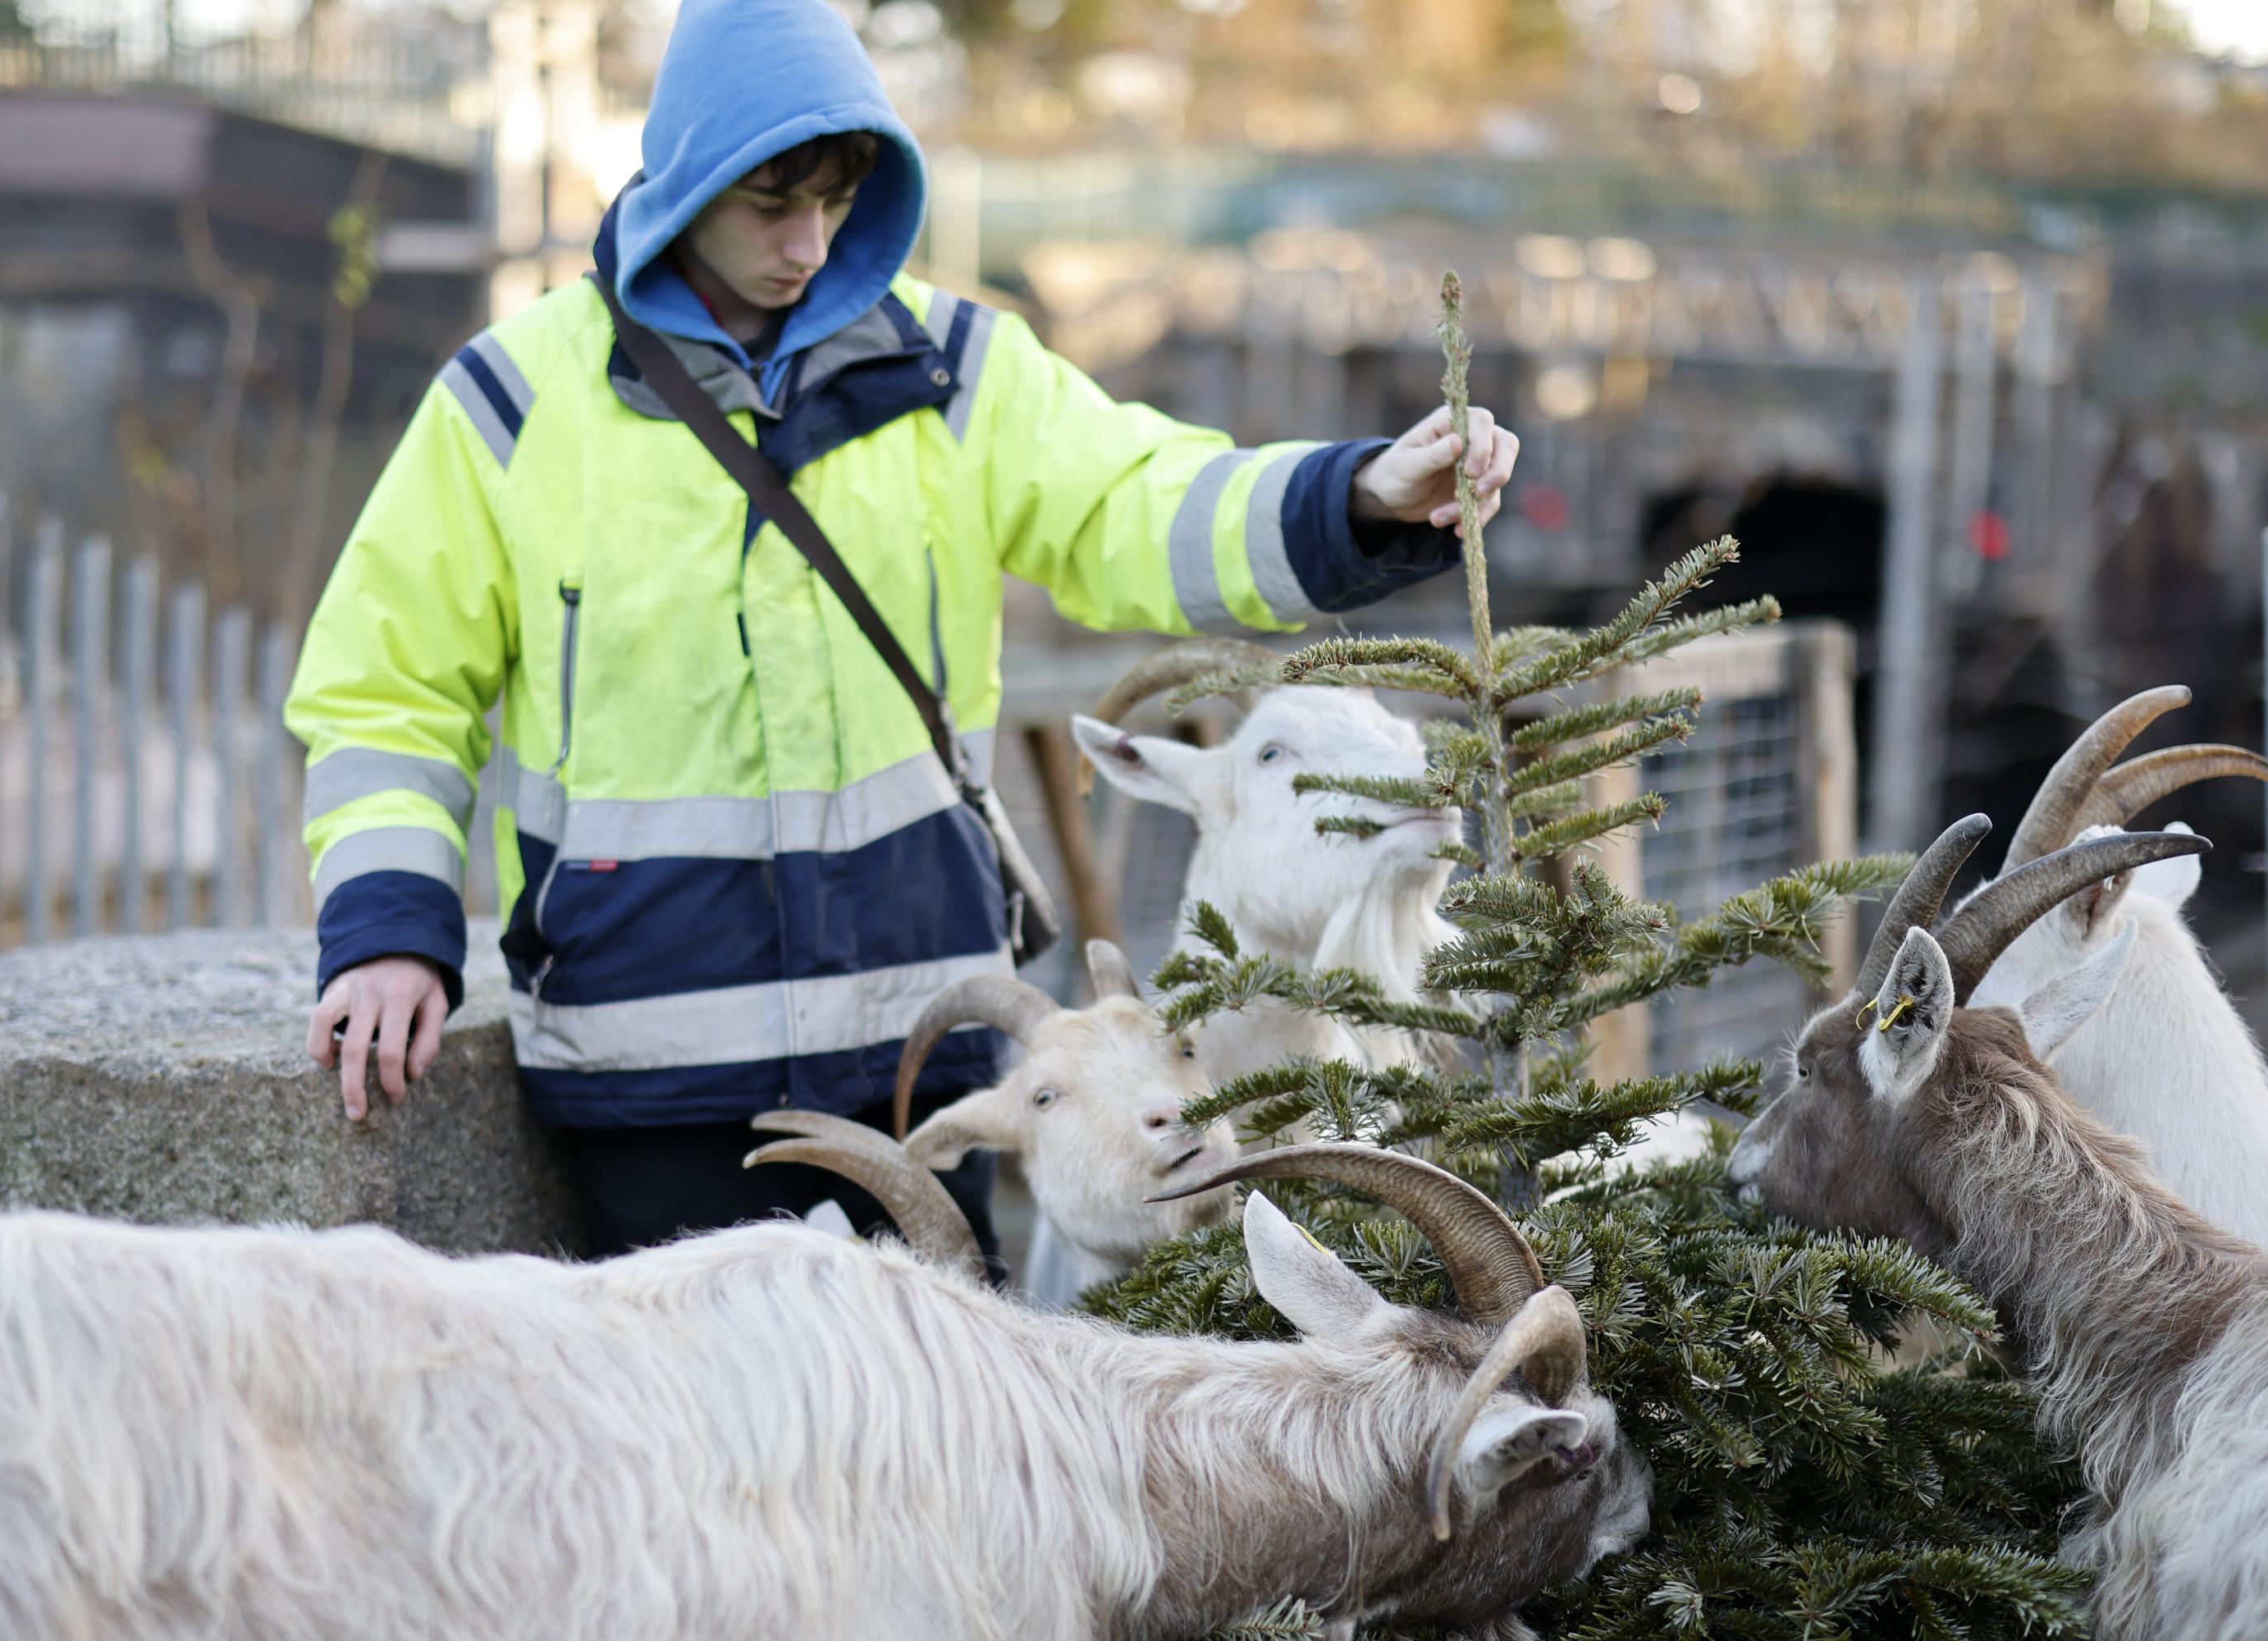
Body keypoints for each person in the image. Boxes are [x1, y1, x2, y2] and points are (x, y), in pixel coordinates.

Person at [292, 0, 1509, 1262]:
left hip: (915, 1057)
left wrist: (1357, 495)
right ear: (686, 181)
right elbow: (385, 690)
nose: (809, 242)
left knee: (940, 1452)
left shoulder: (954, 366)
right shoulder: (509, 400)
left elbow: (1136, 503)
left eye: (838, 196)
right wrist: (388, 930)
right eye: (773, 202)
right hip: (647, 1070)